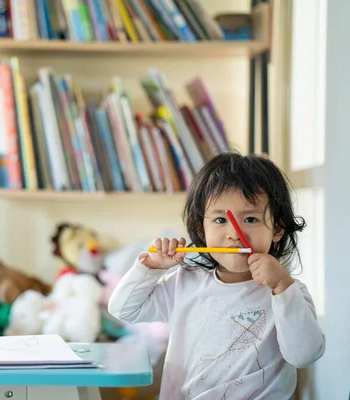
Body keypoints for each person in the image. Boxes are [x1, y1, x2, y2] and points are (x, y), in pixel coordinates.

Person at [108, 153, 325, 399]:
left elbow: (304, 355)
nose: (234, 233)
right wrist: (151, 268)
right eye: (221, 219)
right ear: (202, 229)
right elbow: (122, 310)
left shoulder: (288, 292)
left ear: (276, 229)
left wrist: (283, 287)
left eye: (250, 218)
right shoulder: (183, 282)